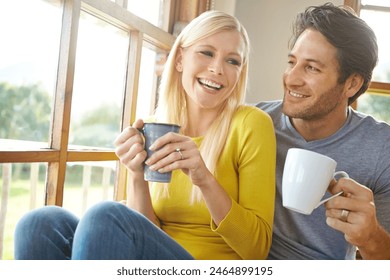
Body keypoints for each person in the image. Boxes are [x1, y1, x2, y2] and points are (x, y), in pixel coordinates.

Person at [14, 10, 276, 260]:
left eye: (233, 61)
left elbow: (256, 249)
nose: (218, 69)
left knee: (107, 214)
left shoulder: (251, 125)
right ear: (181, 59)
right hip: (157, 260)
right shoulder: (154, 128)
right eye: (206, 53)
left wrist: (203, 178)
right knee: (38, 224)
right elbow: (147, 232)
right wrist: (136, 174)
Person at [257, 3, 390, 260]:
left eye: (312, 68)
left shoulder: (382, 149)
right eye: (291, 62)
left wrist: (370, 237)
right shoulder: (253, 122)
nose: (291, 79)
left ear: (351, 84)